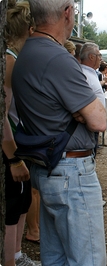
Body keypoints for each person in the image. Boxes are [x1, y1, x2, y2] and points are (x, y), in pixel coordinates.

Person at [12, 0, 107, 265]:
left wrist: (78, 111)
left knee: (55, 257)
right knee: (88, 259)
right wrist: (81, 111)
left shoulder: (27, 52)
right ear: (67, 12)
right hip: (70, 171)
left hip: (46, 167)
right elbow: (99, 120)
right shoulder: (58, 58)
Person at [4, 1, 40, 265]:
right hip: (11, 148)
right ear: (29, 29)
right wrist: (13, 158)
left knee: (21, 202)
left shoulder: (14, 59)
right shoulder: (9, 62)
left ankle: (15, 255)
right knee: (12, 209)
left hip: (19, 144)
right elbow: (1, 114)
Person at [80, 42, 106, 157]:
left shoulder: (91, 73)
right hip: (87, 125)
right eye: (99, 55)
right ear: (91, 57)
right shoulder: (83, 74)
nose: (101, 58)